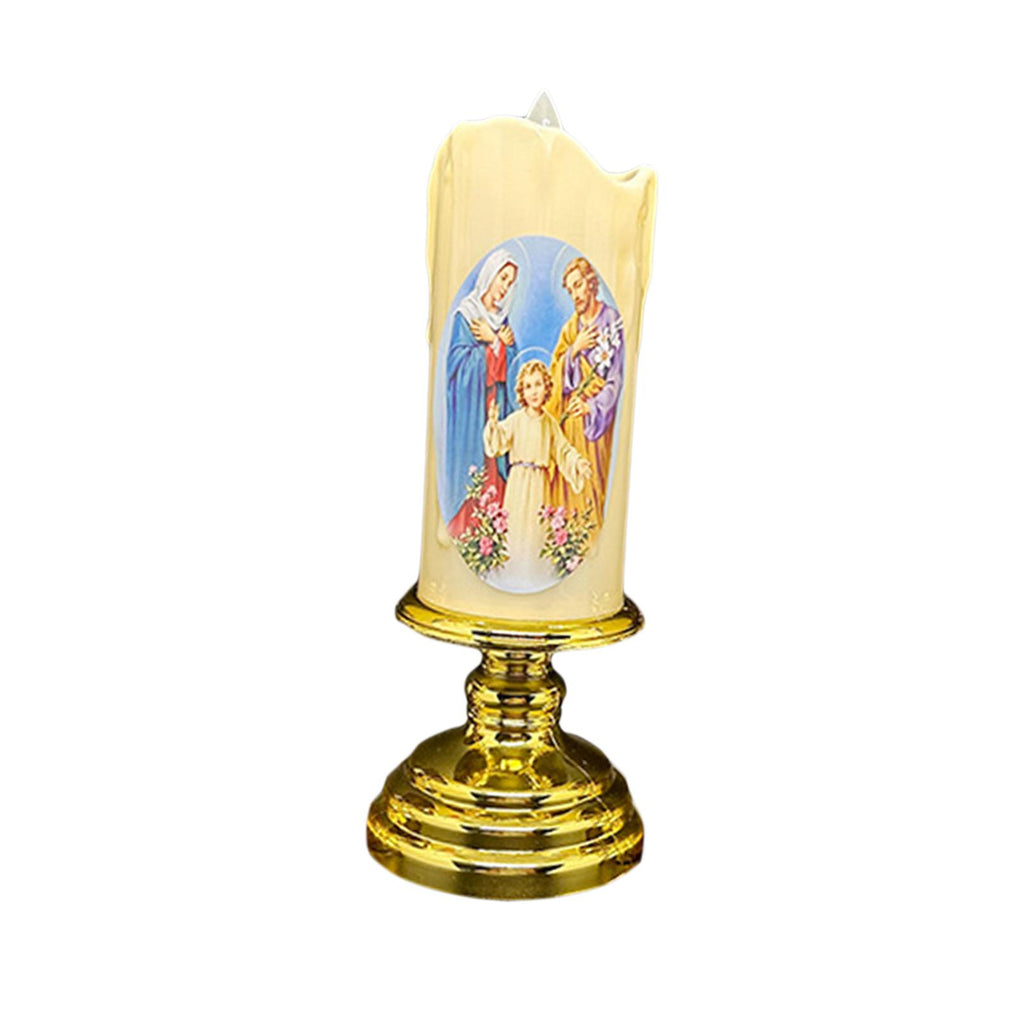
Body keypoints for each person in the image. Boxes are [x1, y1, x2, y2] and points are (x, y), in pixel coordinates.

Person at [484, 360, 591, 591]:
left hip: (540, 486)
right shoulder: (516, 420)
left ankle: (535, 579)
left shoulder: (549, 424)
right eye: (528, 386)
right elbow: (498, 441)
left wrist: (578, 463)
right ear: (521, 391)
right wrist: (492, 423)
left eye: (538, 385)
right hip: (518, 484)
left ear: (547, 388)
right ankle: (511, 580)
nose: (533, 391)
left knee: (536, 533)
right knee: (515, 532)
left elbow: (563, 450)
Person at [444, 249, 519, 537]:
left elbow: (514, 369)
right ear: (490, 274)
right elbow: (456, 367)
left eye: (510, 282)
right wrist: (495, 345)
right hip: (473, 412)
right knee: (476, 476)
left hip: (497, 412)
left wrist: (499, 344)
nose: (505, 287)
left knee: (495, 475)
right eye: (503, 278)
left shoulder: (502, 322)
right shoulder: (466, 315)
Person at [546, 257, 624, 528]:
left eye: (578, 285)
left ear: (591, 283)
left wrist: (591, 406)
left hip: (594, 427)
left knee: (591, 491)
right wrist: (574, 350)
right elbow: (554, 375)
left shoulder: (612, 321)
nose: (575, 295)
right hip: (570, 428)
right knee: (567, 494)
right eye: (570, 290)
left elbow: (616, 380)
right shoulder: (571, 328)